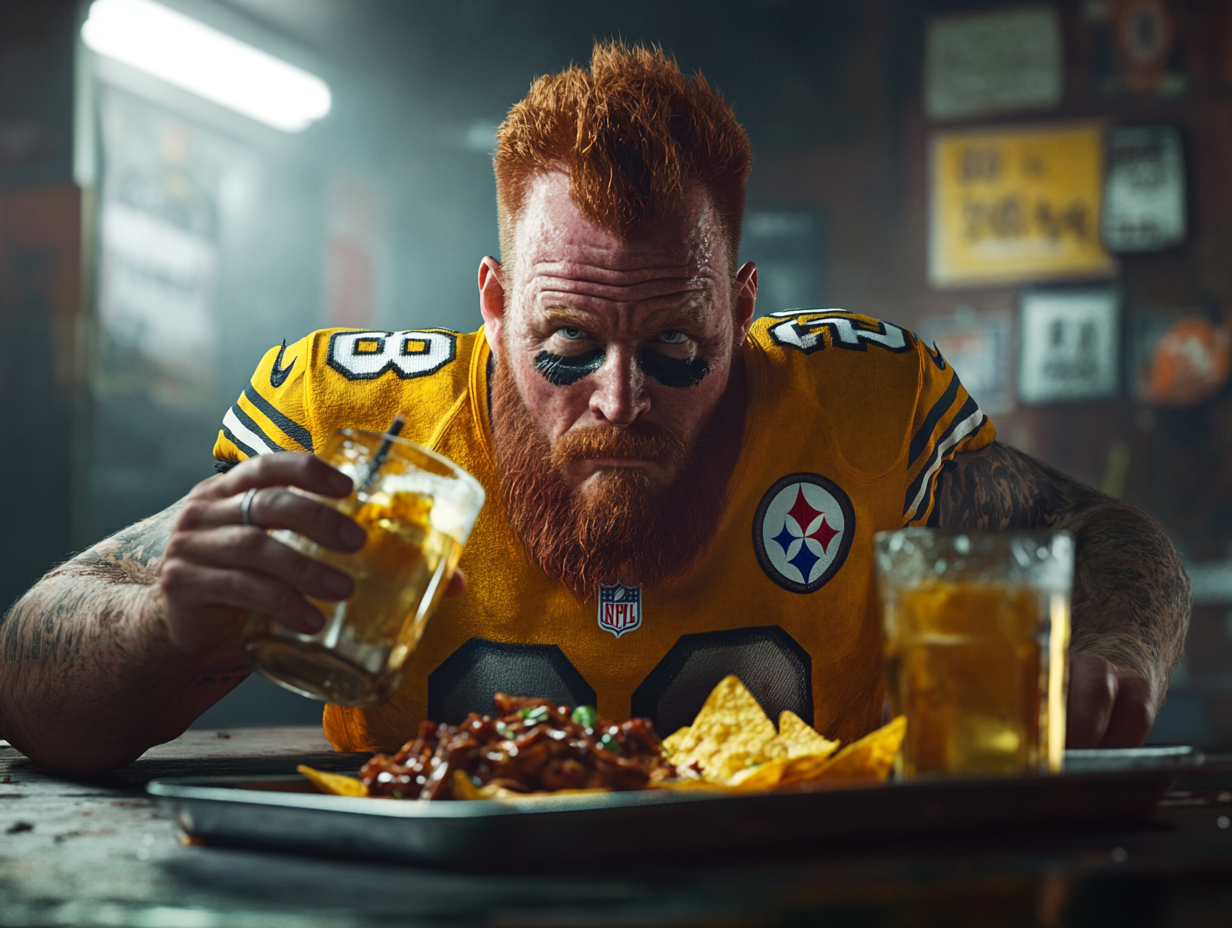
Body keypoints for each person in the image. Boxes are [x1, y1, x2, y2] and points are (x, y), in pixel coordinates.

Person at [0, 43, 1189, 771]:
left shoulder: (863, 400)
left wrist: (1109, 643)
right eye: (564, 345)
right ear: (494, 302)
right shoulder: (356, 416)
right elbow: (32, 683)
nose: (617, 399)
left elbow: (1108, 536)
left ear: (742, 306)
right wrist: (168, 618)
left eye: (676, 348)